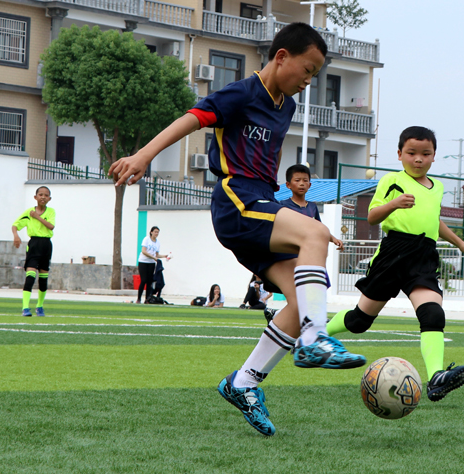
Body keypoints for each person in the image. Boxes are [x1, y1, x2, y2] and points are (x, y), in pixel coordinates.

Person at [108, 22, 364, 437]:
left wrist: (289, 218)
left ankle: (243, 382)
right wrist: (143, 156)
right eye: (307, 70)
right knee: (315, 234)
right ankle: (316, 340)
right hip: (235, 202)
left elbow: (264, 167)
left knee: (299, 305)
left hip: (262, 204)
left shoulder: (287, 108)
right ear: (281, 56)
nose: (308, 81)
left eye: (314, 75)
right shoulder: (242, 93)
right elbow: (191, 119)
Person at [326, 126, 464, 402]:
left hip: (424, 256)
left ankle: (436, 377)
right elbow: (372, 216)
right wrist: (394, 204)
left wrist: (461, 243)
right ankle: (317, 334)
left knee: (433, 315)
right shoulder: (392, 180)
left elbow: (435, 221)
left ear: (434, 157)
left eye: (425, 154)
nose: (418, 159)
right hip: (393, 255)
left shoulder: (438, 187)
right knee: (359, 321)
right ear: (399, 154)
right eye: (411, 153)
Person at [11, 186, 55, 317]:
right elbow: (15, 225)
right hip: (34, 244)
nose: (43, 197)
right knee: (30, 276)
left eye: (46, 195)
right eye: (40, 194)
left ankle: (39, 306)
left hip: (46, 245)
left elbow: (51, 226)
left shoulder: (50, 212)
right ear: (35, 197)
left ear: (49, 199)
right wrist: (16, 235)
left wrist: (37, 217)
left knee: (43, 279)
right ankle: (25, 308)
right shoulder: (29, 212)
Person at [279, 163, 343, 250]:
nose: (302, 184)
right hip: (289, 252)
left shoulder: (312, 207)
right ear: (288, 185)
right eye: (297, 180)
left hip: (309, 250)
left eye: (305, 180)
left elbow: (320, 229)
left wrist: (334, 239)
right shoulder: (282, 206)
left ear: (309, 185)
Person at [137, 227, 167, 304]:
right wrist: (153, 257)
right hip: (143, 262)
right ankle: (139, 298)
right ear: (151, 232)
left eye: (158, 232)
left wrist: (164, 256)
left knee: (149, 281)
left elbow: (156, 254)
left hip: (151, 263)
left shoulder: (157, 243)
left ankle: (147, 299)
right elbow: (144, 251)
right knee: (143, 280)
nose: (156, 234)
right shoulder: (146, 239)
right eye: (155, 232)